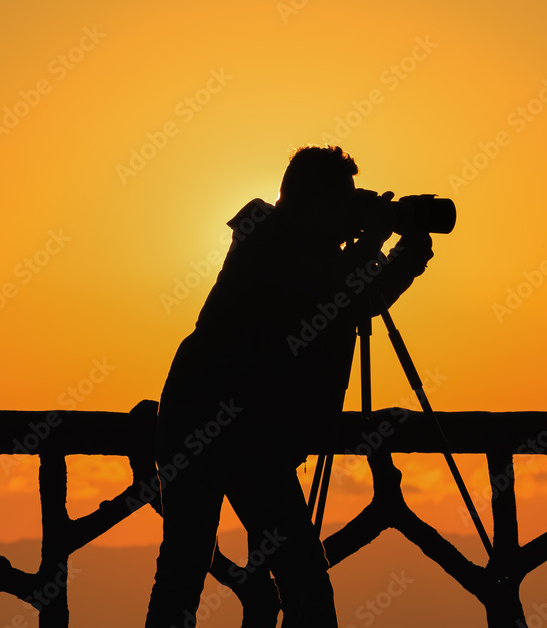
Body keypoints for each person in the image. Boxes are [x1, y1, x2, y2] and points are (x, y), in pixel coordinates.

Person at [145, 145, 434, 628]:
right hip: (203, 423)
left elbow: (357, 303)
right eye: (342, 203)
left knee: (304, 581)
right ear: (313, 203)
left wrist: (409, 256)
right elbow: (333, 289)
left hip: (259, 439)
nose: (349, 216)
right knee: (186, 567)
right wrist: (375, 235)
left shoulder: (317, 255)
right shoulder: (263, 232)